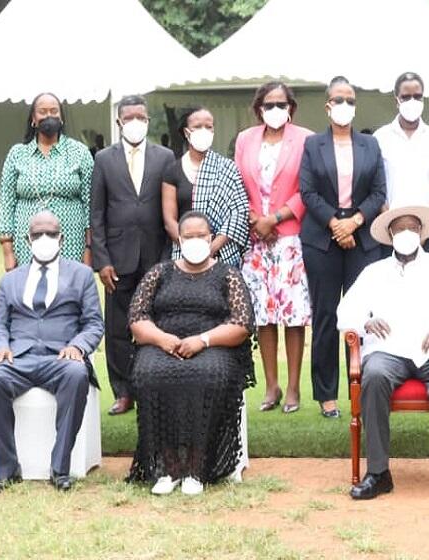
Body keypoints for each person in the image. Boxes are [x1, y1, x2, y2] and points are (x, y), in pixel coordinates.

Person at [338, 206, 429, 500]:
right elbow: (345, 311)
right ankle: (378, 473)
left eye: (412, 229)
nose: (406, 234)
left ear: (422, 234)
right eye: (399, 229)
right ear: (390, 235)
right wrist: (365, 321)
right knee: (373, 375)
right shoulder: (373, 273)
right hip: (388, 350)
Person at [126, 212, 255, 496]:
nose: (196, 241)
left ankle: (197, 468)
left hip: (214, 347)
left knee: (206, 375)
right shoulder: (160, 273)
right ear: (179, 239)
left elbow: (242, 324)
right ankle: (167, 467)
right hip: (164, 345)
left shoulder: (228, 276)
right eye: (190, 236)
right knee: (150, 373)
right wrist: (163, 340)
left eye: (201, 236)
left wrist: (203, 340)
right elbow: (137, 318)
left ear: (210, 238)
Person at [0, 212, 104, 493]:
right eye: (37, 234)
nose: (44, 239)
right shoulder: (10, 280)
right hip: (19, 358)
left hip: (61, 358)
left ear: (61, 238)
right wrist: (0, 346)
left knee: (76, 373)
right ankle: (6, 469)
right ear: (27, 240)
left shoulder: (82, 275)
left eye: (50, 233)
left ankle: (60, 469)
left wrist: (78, 347)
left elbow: (94, 323)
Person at [300, 75, 387, 418]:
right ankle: (326, 396)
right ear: (327, 106)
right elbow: (308, 192)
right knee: (325, 316)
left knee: (364, 317)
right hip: (322, 238)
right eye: (339, 99)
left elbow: (379, 192)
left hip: (362, 236)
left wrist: (354, 222)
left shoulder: (370, 145)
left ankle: (366, 387)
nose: (345, 105)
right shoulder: (312, 145)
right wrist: (336, 225)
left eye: (350, 99)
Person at [91, 94, 176, 417]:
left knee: (156, 323)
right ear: (119, 122)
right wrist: (102, 260)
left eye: (141, 117)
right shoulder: (104, 159)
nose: (136, 123)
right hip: (118, 257)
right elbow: (96, 214)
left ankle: (153, 389)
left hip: (155, 255)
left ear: (148, 121)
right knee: (117, 327)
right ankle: (123, 391)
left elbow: (172, 210)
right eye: (130, 118)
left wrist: (168, 258)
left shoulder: (165, 157)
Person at [235, 82, 314, 414]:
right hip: (255, 239)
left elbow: (309, 186)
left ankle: (294, 388)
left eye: (282, 103)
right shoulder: (244, 139)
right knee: (264, 315)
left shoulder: (306, 139)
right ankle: (272, 386)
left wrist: (276, 218)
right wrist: (256, 219)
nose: (276, 109)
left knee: (293, 315)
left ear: (291, 108)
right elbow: (238, 182)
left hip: (290, 238)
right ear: (259, 108)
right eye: (269, 104)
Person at [0, 92, 94, 270]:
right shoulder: (17, 154)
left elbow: (90, 204)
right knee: (30, 292)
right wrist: (8, 252)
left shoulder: (79, 152)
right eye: (42, 111)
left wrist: (88, 248)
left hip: (71, 243)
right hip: (27, 244)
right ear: (33, 118)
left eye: (54, 111)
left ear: (62, 117)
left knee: (68, 291)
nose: (49, 116)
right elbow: (6, 204)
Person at [373, 72, 429, 256]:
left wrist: (425, 228)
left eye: (417, 97)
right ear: (396, 100)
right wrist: (392, 226)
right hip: (390, 233)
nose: (412, 101)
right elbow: (376, 188)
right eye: (406, 97)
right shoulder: (380, 138)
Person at [163, 106, 250, 267]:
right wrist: (191, 250)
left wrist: (211, 248)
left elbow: (239, 213)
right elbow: (169, 220)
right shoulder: (172, 171)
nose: (203, 130)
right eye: (197, 127)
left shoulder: (227, 168)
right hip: (183, 255)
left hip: (221, 255)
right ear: (186, 132)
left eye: (208, 127)